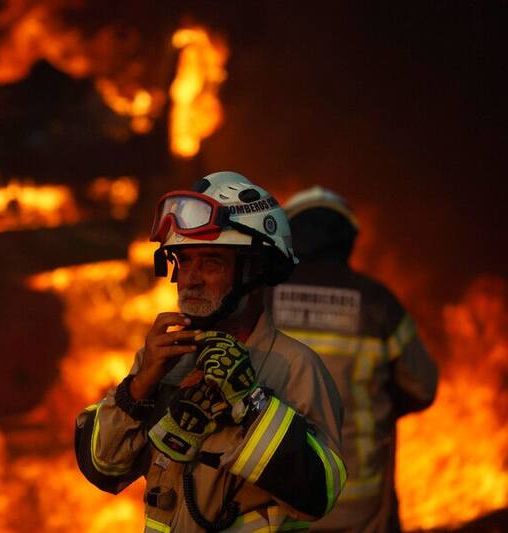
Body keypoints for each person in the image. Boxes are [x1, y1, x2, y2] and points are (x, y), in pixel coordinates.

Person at [75, 171, 346, 532]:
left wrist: (250, 404)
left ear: (255, 269)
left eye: (211, 263)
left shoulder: (297, 368)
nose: (189, 279)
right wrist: (139, 388)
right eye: (183, 261)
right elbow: (103, 468)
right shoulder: (165, 361)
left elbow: (317, 495)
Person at [268, 186, 438, 532]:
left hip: (274, 503)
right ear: (348, 241)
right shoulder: (378, 304)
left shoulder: (259, 299)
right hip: (358, 507)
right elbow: (423, 387)